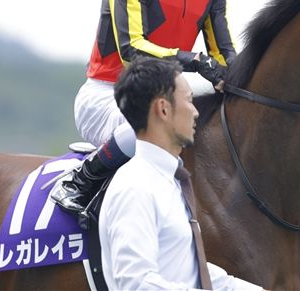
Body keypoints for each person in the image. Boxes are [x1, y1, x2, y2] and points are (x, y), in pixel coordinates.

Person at [52, 0, 238, 214]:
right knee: (156, 119)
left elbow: (223, 54)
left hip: (169, 90)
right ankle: (82, 179)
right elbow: (132, 51)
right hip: (110, 93)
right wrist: (196, 62)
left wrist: (240, 77)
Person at [99, 56, 263, 290]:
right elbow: (136, 284)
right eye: (188, 100)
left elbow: (190, 271)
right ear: (163, 109)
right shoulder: (136, 186)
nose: (196, 112)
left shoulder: (167, 181)